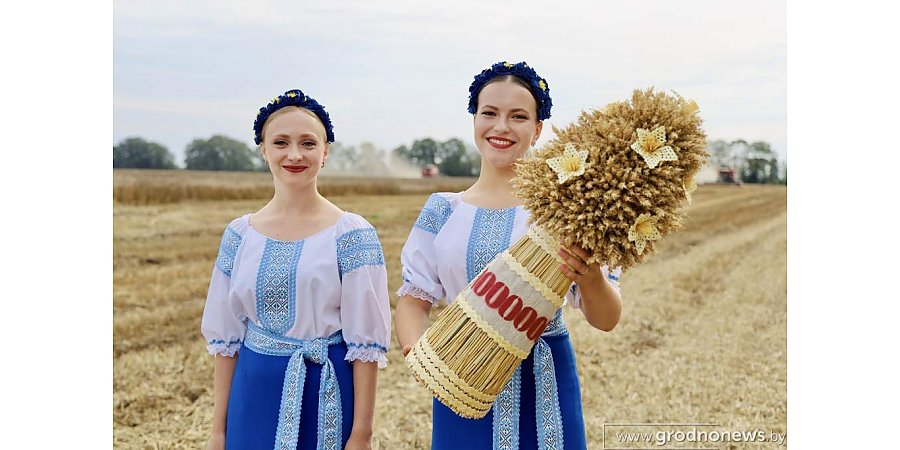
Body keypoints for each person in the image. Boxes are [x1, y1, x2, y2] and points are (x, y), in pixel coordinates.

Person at [394, 62, 624, 450]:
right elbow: (414, 301)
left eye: (518, 116)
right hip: (460, 373)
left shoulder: (567, 212)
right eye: (489, 113)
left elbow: (606, 319)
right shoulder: (442, 211)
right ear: (474, 120)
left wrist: (591, 278)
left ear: (537, 129)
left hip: (545, 380)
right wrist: (420, 352)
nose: (501, 127)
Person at [201, 89, 391, 450]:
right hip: (251, 393)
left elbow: (365, 344)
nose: (294, 154)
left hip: (325, 388)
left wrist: (361, 435)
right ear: (263, 150)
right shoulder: (239, 234)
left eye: (307, 143)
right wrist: (218, 432)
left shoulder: (352, 233)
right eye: (281, 142)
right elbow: (227, 342)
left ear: (325, 152)